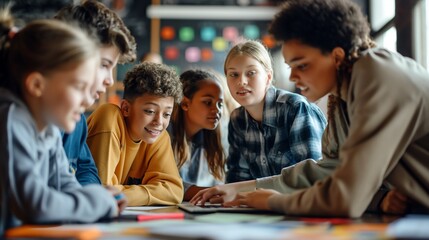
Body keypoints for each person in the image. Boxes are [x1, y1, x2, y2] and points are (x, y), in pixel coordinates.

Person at [191, 0, 429, 217]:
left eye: (302, 65)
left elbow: (347, 198)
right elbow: (326, 170)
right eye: (291, 66)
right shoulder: (341, 98)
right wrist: (238, 189)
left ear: (336, 57)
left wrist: (274, 201)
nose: (294, 77)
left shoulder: (376, 74)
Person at [0, 17, 125, 234]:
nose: (88, 101)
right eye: (79, 87)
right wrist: (96, 202)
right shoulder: (11, 120)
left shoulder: (48, 128)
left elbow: (66, 185)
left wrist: (98, 199)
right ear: (37, 85)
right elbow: (36, 205)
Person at [55, 0, 137, 186]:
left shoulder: (77, 120)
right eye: (103, 65)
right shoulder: (22, 116)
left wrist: (93, 195)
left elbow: (86, 170)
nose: (109, 80)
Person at [222, 40, 326, 183]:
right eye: (233, 74)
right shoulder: (237, 119)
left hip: (302, 203)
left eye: (251, 73)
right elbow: (238, 179)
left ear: (268, 77)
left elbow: (313, 178)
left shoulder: (295, 109)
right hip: (259, 204)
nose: (242, 82)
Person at [86, 62, 184, 206]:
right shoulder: (109, 117)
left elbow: (174, 191)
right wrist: (148, 191)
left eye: (167, 114)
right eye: (149, 111)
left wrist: (122, 195)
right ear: (125, 108)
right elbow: (100, 192)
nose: (159, 122)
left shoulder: (158, 136)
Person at [168, 69, 226, 201]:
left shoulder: (211, 138)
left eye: (220, 104)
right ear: (185, 104)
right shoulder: (164, 134)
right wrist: (212, 193)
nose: (216, 110)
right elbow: (165, 185)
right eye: (207, 102)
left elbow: (217, 183)